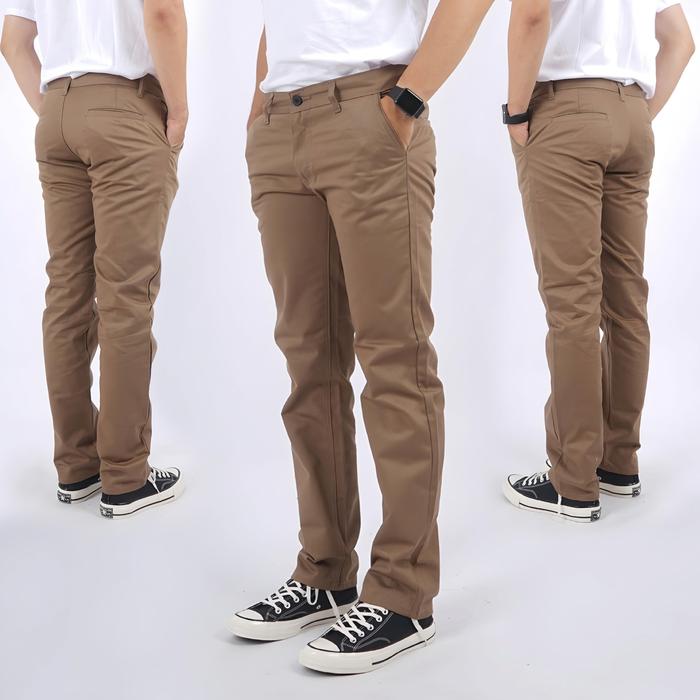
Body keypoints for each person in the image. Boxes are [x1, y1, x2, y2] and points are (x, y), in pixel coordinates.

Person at [230, 0, 495, 675]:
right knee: (308, 365)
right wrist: (259, 112)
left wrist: (406, 100)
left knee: (395, 357)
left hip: (370, 115)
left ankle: (404, 596)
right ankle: (324, 571)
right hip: (279, 125)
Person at [502, 0, 694, 522]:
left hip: (567, 111)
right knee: (626, 302)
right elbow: (681, 40)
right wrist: (635, 114)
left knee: (572, 305)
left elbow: (532, 15)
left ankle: (572, 480)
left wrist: (516, 111)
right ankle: (618, 463)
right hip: (633, 117)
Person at [1, 0, 189, 518]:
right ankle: (126, 476)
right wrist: (178, 110)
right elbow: (163, 13)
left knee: (66, 294)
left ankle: (77, 465)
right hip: (123, 107)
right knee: (125, 296)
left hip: (57, 113)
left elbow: (13, 41)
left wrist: (57, 109)